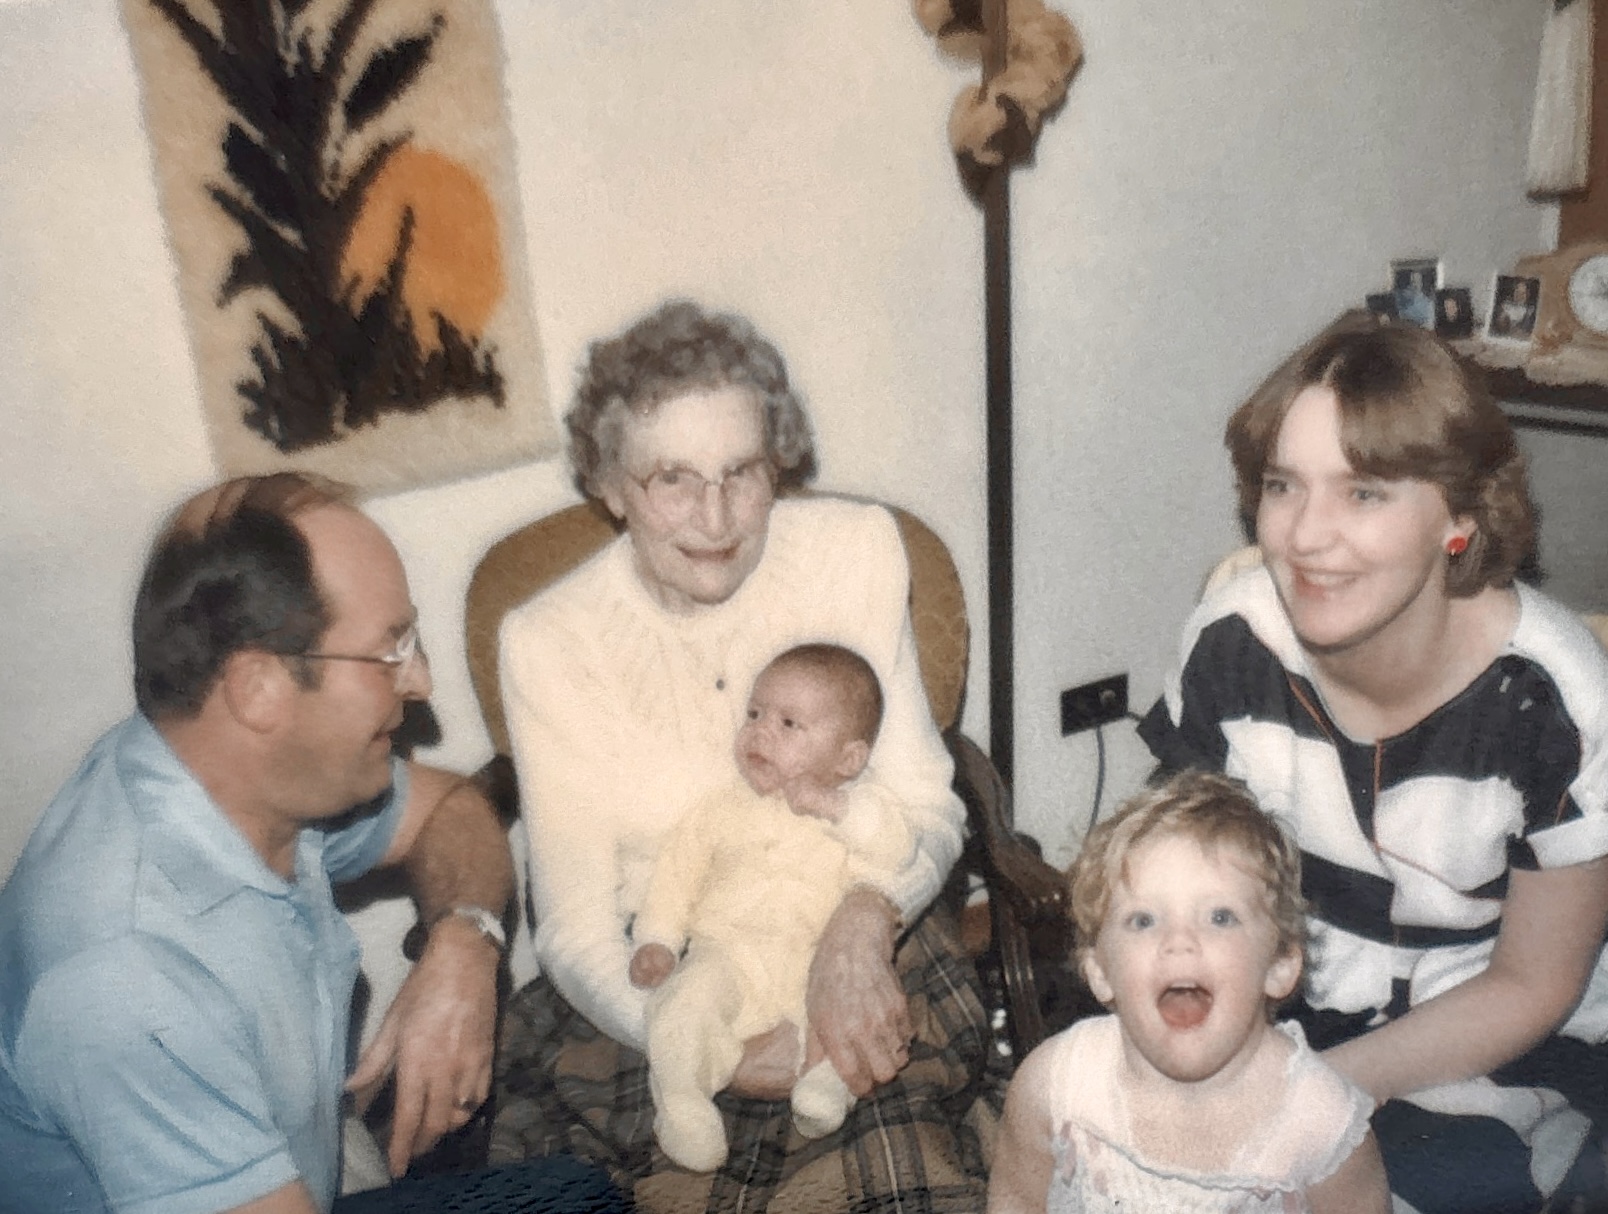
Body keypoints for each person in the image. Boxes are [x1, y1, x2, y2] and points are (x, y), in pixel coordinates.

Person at [490, 299, 993, 1210]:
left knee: (905, 1189)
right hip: (661, 979)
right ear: (611, 486)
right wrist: (688, 1034)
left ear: (778, 462)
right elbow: (569, 924)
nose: (715, 516)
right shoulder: (549, 641)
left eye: (743, 471)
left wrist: (867, 920)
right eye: (672, 480)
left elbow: (932, 803)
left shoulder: (856, 550)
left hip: (854, 939)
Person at [1139, 317, 1608, 1213]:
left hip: (1491, 1030)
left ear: (1461, 520)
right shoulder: (1230, 645)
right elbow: (1184, 885)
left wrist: (1304, 1093)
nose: (1308, 536)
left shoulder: (1551, 700)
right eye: (1284, 486)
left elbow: (1532, 982)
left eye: (1364, 494)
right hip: (1283, 990)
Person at [0, 473, 543, 1214]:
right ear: (257, 688)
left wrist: (464, 943)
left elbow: (454, 808)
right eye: (391, 648)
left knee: (582, 1191)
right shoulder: (126, 977)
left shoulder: (234, 773)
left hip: (289, 1168)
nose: (419, 680)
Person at [989, 771, 1388, 1213]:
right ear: (1100, 971)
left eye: (1219, 917)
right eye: (1143, 920)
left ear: (1279, 964)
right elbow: (1015, 1201)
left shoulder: (1320, 1123)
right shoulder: (1054, 1085)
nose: (1179, 941)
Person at [631, 643, 915, 1171]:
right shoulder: (721, 808)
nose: (759, 732)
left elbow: (899, 848)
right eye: (755, 714)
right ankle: (683, 1107)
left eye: (788, 724)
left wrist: (838, 808)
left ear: (847, 759)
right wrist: (658, 939)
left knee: (838, 1019)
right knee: (679, 1009)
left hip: (813, 962)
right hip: (726, 954)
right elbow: (677, 873)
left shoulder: (859, 805)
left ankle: (826, 1089)